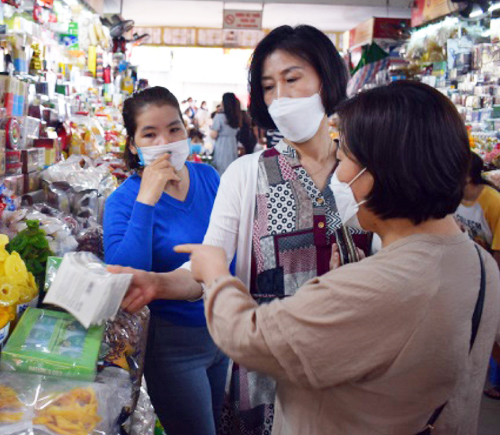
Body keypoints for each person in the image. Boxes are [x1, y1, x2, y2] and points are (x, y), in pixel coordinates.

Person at [176, 80, 500, 435]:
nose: (339, 177)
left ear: (380, 174)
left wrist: (216, 275)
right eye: (270, 85)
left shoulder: (378, 285)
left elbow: (249, 337)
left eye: (344, 160)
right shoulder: (480, 263)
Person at [110, 25, 371, 435]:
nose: (280, 97)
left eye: (292, 78)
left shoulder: (364, 170)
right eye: (268, 86)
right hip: (266, 367)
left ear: (327, 78)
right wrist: (157, 284)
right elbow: (209, 263)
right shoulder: (246, 174)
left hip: (352, 364)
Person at [103, 87, 229, 435]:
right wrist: (147, 198)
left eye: (174, 129)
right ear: (133, 144)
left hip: (223, 333)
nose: (166, 140)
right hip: (172, 347)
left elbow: (227, 250)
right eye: (150, 133)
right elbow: (122, 282)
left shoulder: (209, 178)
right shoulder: (123, 201)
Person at [455, 152, 500, 400]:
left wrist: (491, 283)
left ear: (467, 176)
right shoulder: (457, 198)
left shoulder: (493, 201)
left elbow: (498, 251)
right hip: (477, 271)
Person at [211, 93, 241, 175]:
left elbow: (213, 135)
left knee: (221, 169)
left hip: (222, 145)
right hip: (232, 145)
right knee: (231, 170)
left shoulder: (219, 116)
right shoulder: (236, 116)